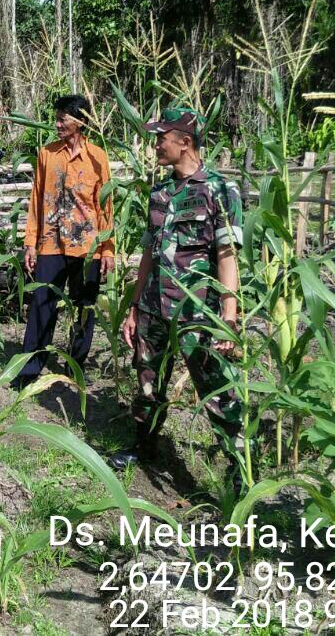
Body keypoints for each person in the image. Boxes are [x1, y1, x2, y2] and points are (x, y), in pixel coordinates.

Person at [111, 106, 245, 489]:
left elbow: (227, 256)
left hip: (197, 313)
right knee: (147, 382)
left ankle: (240, 468)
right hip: (153, 308)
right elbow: (149, 254)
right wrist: (134, 308)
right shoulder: (159, 192)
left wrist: (228, 317)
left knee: (217, 389)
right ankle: (145, 448)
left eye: (161, 139)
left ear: (185, 142)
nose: (155, 146)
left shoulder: (219, 190)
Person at [15, 94, 116, 391]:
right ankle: (30, 368)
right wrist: (30, 243)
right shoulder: (47, 154)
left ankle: (75, 366)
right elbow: (36, 200)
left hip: (88, 246)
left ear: (80, 122)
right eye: (56, 119)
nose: (57, 125)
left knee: (84, 307)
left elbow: (105, 206)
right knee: (42, 304)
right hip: (51, 243)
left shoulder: (97, 157)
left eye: (63, 120)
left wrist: (107, 248)